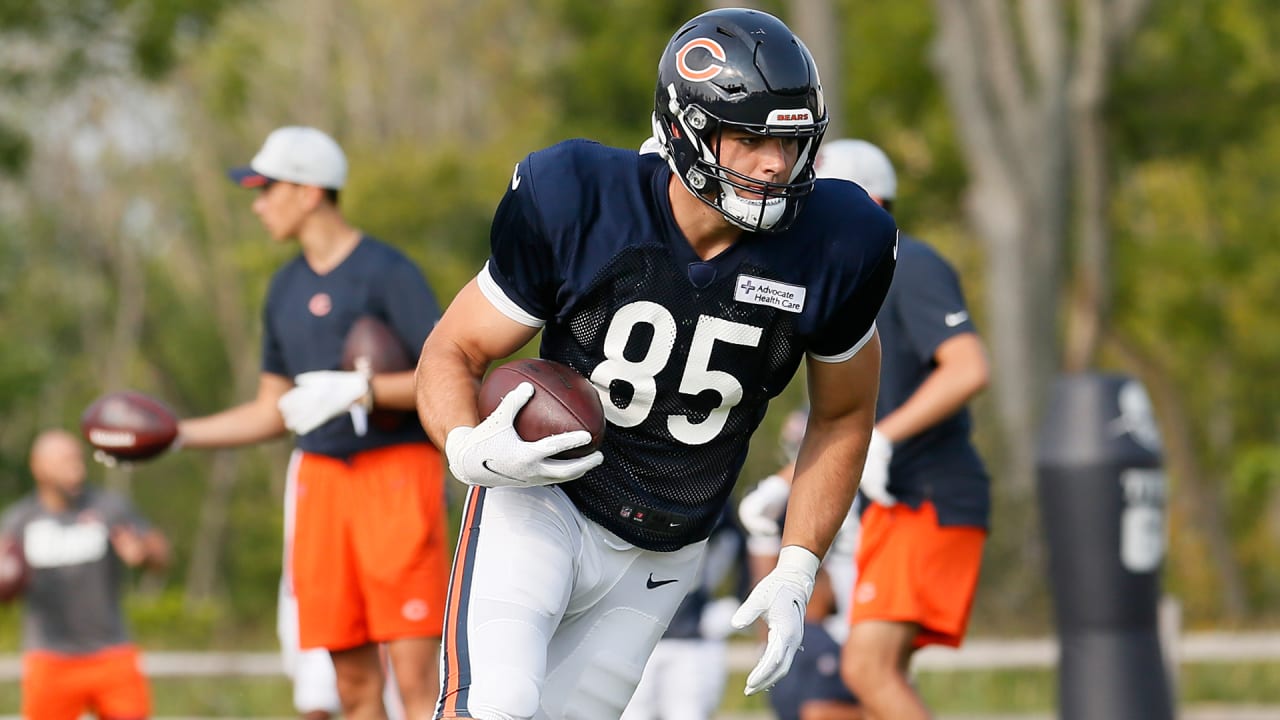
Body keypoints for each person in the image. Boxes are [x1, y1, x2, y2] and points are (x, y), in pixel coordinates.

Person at [414, 8, 897, 719]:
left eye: (791, 142)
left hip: (665, 553)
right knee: (496, 705)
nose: (774, 162)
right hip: (548, 502)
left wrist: (798, 565)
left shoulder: (839, 243)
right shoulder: (580, 198)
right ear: (686, 129)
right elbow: (452, 350)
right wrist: (466, 445)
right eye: (751, 138)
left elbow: (845, 412)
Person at [176, 125, 450, 720]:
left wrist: (364, 389)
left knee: (416, 678)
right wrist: (177, 435)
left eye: (265, 187)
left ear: (308, 192)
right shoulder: (283, 288)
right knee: (349, 685)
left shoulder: (387, 272)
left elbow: (446, 378)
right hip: (321, 482)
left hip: (396, 475)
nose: (257, 203)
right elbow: (272, 406)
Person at [815, 139, 992, 720]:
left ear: (866, 198)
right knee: (869, 687)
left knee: (865, 669)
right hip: (896, 503)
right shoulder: (850, 280)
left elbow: (968, 367)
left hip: (929, 496)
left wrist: (884, 437)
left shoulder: (907, 260)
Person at [0, 429, 170, 720]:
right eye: (65, 460)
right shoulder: (19, 520)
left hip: (111, 653)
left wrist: (143, 552)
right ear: (38, 466)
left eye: (78, 458)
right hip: (49, 658)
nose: (76, 467)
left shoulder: (108, 507)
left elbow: (162, 554)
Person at [620, 505, 749, 720]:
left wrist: (738, 602)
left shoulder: (714, 501)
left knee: (689, 713)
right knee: (630, 713)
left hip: (691, 636)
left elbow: (739, 547)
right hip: (635, 635)